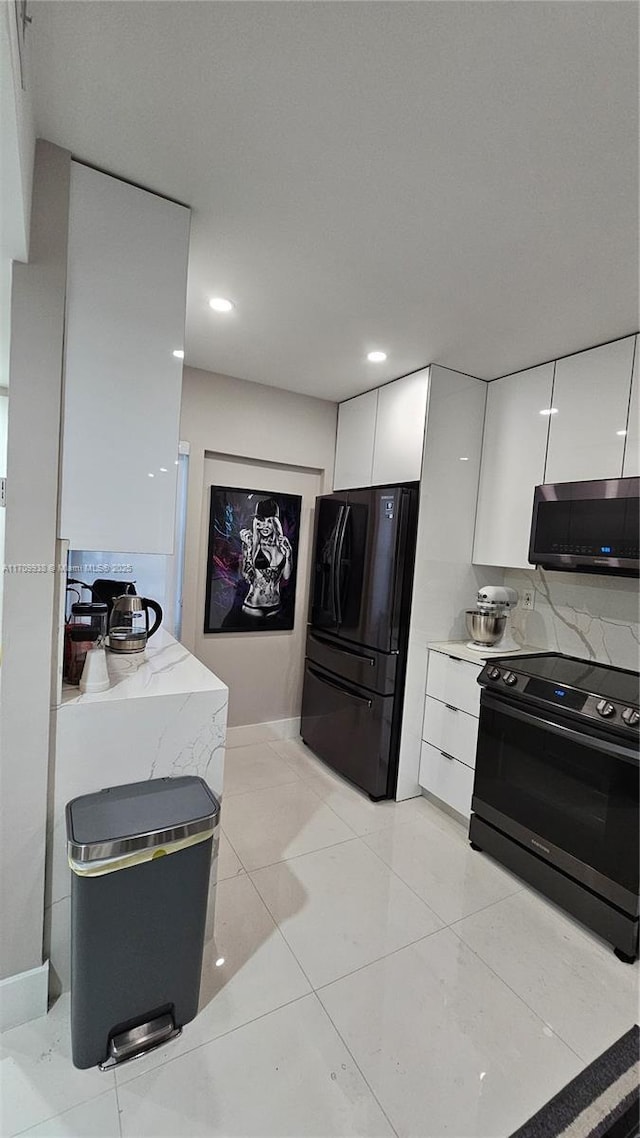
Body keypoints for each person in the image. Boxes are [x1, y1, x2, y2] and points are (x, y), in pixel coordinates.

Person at [239, 498, 292, 617]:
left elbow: (286, 576)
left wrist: (288, 554)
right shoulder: (252, 544)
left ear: (275, 523)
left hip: (276, 606)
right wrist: (247, 551)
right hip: (252, 607)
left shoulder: (282, 545)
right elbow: (246, 576)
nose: (265, 526)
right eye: (261, 521)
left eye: (269, 521)